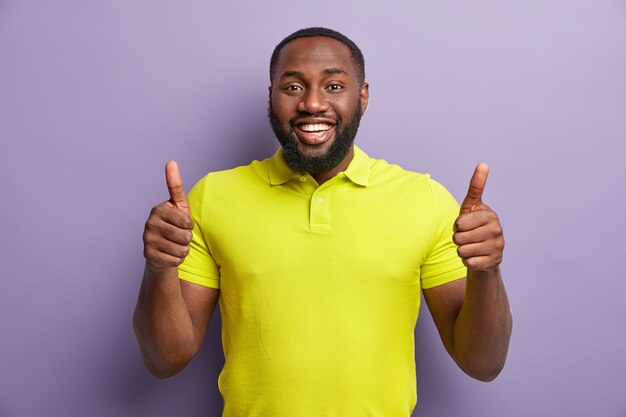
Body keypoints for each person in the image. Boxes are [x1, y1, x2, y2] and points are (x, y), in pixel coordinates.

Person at [133, 27, 512, 417]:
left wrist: (488, 272)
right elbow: (166, 360)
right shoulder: (214, 196)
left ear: (362, 97)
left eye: (333, 86)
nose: (313, 103)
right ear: (271, 97)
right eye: (293, 87)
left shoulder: (425, 200)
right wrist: (159, 267)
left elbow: (483, 364)